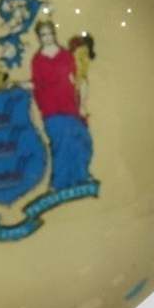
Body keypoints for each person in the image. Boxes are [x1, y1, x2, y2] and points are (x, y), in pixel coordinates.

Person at [30, 21, 94, 190]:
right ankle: (60, 182)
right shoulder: (38, 60)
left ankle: (80, 176)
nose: (47, 37)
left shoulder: (65, 55)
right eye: (43, 35)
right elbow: (37, 85)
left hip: (70, 106)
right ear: (39, 37)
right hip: (52, 110)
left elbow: (76, 78)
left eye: (49, 34)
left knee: (81, 140)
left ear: (54, 34)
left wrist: (81, 101)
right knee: (62, 145)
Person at [68, 34, 96, 118]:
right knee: (80, 95)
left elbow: (82, 65)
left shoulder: (82, 52)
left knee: (82, 95)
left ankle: (81, 111)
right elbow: (79, 66)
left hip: (81, 77)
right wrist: (78, 78)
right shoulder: (80, 52)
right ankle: (79, 112)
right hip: (78, 77)